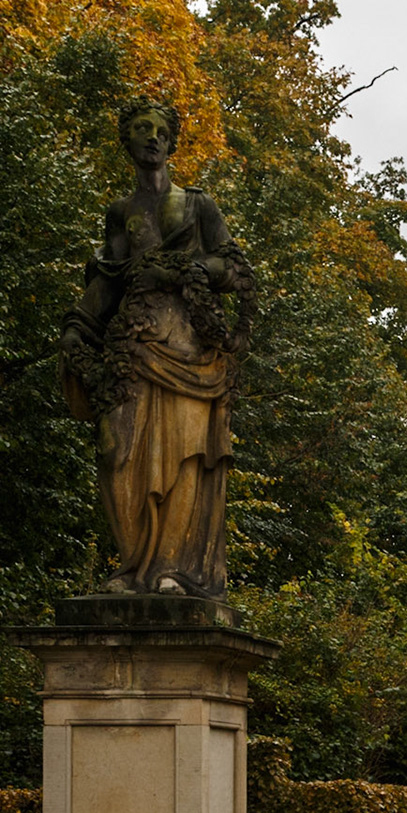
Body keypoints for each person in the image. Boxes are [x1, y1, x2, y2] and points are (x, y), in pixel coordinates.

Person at [59, 100, 252, 599]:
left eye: (160, 131)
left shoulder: (197, 206)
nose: (151, 137)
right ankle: (133, 566)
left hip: (190, 347)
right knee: (115, 449)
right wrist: (78, 326)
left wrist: (195, 270)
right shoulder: (122, 212)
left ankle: (171, 570)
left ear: (171, 142)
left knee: (186, 455)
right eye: (141, 129)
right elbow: (109, 281)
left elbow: (234, 270)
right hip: (134, 344)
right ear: (127, 140)